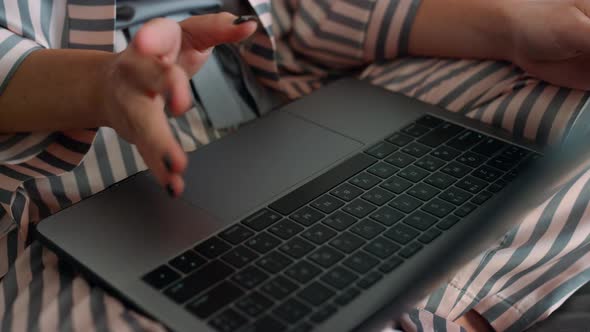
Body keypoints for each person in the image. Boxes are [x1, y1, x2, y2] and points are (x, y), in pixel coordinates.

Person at [1, 0, 590, 331]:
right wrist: (101, 83)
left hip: (296, 90)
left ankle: (424, 298)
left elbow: (298, 10)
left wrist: (512, 29)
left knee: (572, 102)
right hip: (84, 155)